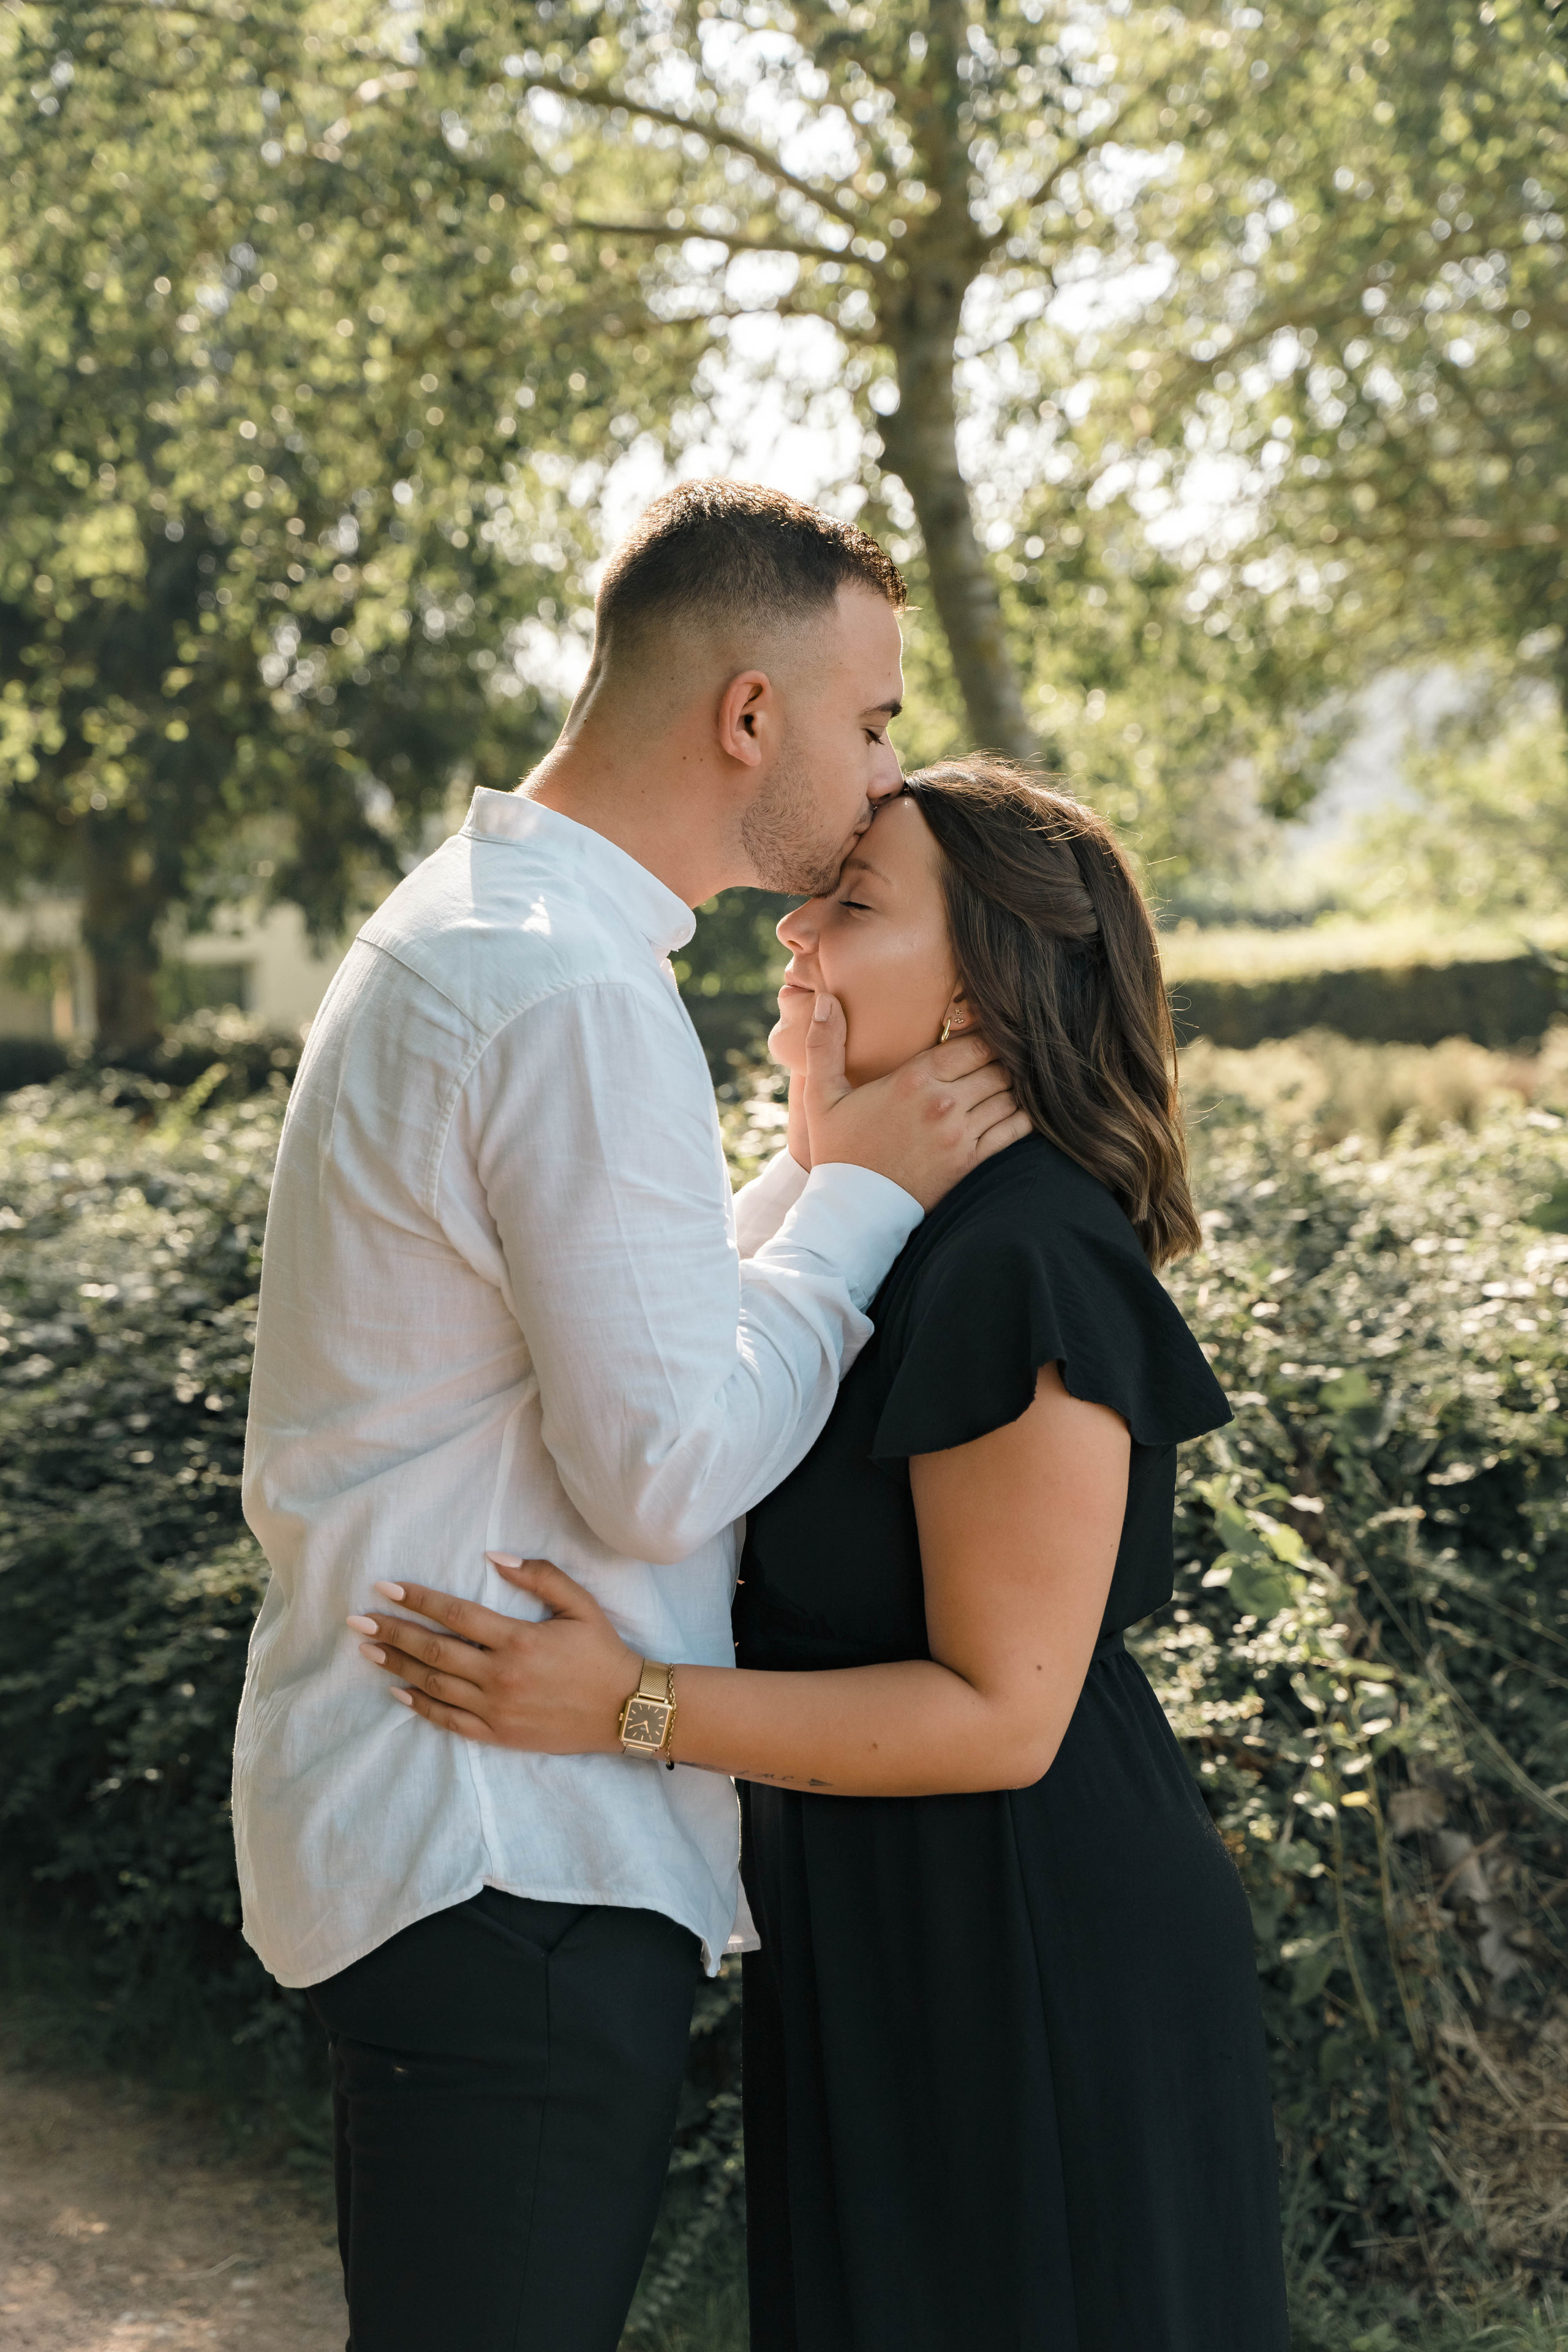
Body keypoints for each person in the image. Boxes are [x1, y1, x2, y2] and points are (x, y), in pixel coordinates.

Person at [352, 761, 1293, 2351]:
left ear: (990, 983)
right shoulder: (887, 1231)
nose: (793, 923)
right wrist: (825, 1143)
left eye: (855, 904)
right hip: (886, 1934)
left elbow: (1004, 1713)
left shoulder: (1022, 1258)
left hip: (1027, 1949)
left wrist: (625, 1702)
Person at [232, 484, 1027, 2352]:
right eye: (875, 715)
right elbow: (660, 1463)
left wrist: (816, 1179)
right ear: (752, 717)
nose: (886, 765)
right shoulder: (569, 990)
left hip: (459, 1833)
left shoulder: (490, 932)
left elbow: (594, 1333)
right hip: (510, 1844)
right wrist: (867, 1201)